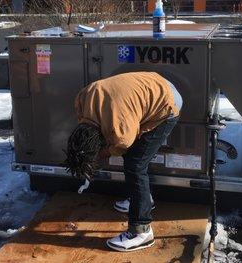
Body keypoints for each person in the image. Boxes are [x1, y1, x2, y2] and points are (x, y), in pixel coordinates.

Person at [64, 71, 183, 252]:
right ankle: (142, 200)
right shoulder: (82, 100)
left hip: (166, 103)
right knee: (136, 159)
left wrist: (97, 158)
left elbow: (120, 146)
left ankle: (141, 231)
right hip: (151, 84)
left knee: (135, 165)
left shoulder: (120, 131)